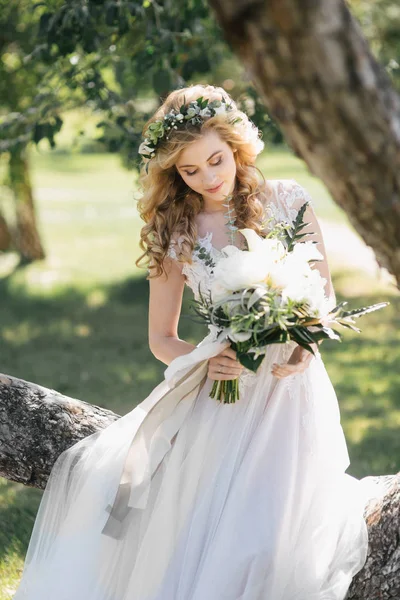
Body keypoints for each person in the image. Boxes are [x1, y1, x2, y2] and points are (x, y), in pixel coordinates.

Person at [13, 84, 370, 600]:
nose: (209, 177)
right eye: (190, 170)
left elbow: (322, 296)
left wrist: (304, 345)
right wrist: (208, 358)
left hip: (289, 392)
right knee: (206, 534)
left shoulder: (289, 201)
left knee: (275, 541)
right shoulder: (177, 230)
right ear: (172, 174)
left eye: (216, 160)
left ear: (238, 147)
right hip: (221, 393)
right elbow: (161, 338)